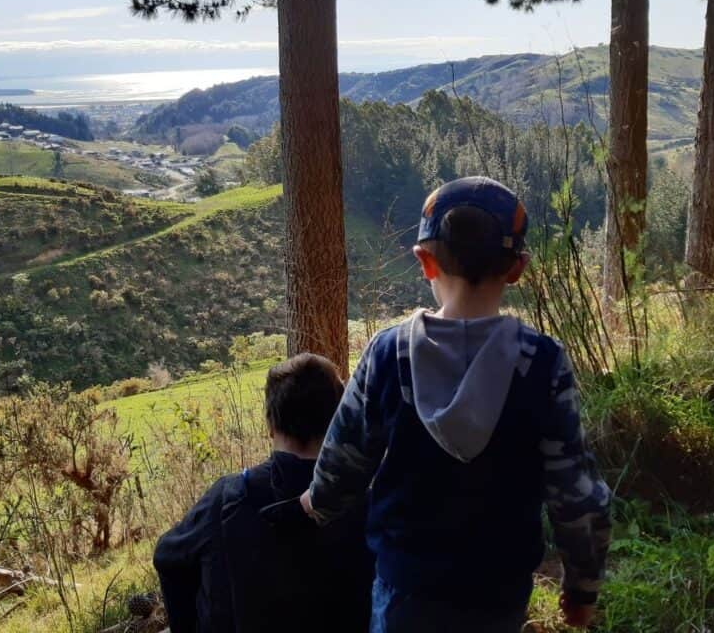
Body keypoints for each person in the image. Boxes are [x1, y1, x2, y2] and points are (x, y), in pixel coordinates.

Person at [301, 176, 612, 633]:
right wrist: (581, 588)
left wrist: (315, 504)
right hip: (497, 594)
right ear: (517, 268)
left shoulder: (388, 355)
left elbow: (342, 463)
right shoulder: (543, 363)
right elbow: (577, 495)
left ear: (425, 262)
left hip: (405, 593)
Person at [153, 353, 373, 633]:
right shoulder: (365, 498)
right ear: (337, 419)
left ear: (270, 426)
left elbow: (167, 558)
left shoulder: (230, 496)